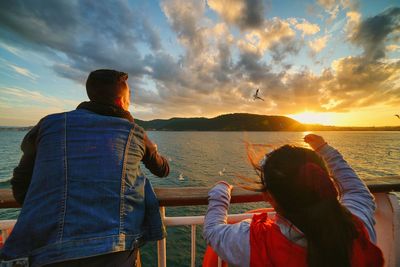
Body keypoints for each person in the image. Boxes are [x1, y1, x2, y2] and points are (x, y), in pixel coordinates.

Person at [1, 69, 170, 267]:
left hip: (44, 251)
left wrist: (46, 211)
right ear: (120, 102)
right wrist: (154, 150)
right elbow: (162, 170)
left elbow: (20, 181)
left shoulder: (49, 125)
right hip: (114, 250)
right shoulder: (134, 132)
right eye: (129, 98)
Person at [203, 134, 384, 267]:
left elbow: (212, 231)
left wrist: (220, 191)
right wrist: (325, 150)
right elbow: (357, 190)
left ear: (269, 198)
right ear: (323, 181)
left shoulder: (255, 243)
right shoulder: (357, 227)